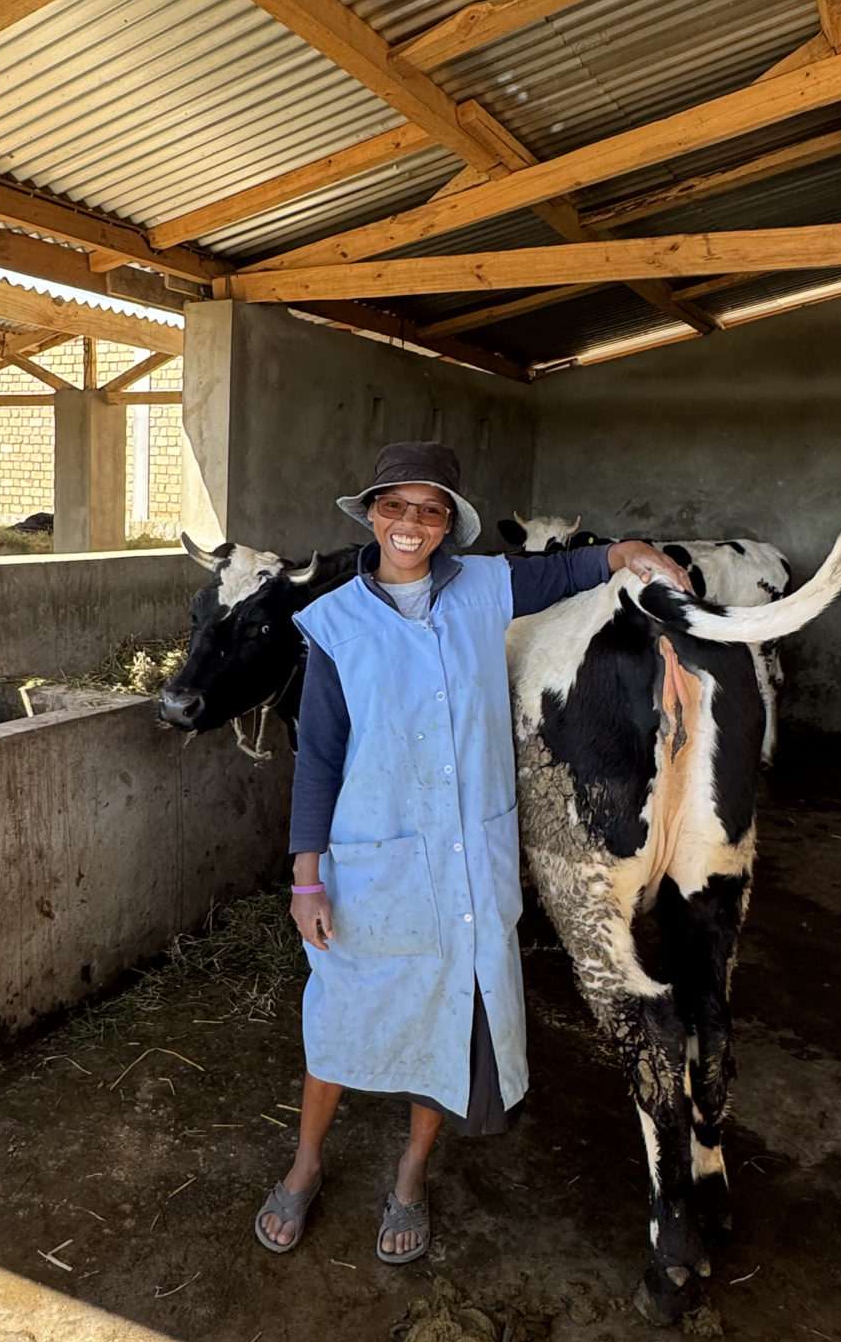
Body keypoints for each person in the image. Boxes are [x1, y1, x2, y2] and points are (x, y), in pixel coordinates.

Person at [254, 441, 692, 1263]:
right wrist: (305, 877)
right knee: (342, 1013)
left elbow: (569, 572)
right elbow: (318, 757)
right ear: (371, 514)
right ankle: (306, 1163)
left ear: (449, 524)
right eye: (394, 505)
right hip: (372, 862)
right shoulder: (336, 623)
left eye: (430, 510)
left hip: (467, 860)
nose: (410, 523)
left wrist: (628, 551)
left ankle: (410, 1175)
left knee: (455, 1014)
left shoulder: (487, 587)